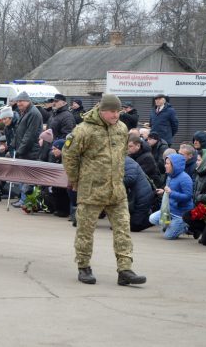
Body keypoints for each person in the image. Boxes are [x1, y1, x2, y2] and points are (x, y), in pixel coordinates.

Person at [62, 94, 146, 286]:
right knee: (85, 230)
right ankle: (83, 267)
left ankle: (125, 269)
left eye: (119, 111)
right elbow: (69, 155)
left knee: (123, 229)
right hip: (92, 189)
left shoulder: (122, 129)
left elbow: (122, 155)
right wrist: (74, 179)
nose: (116, 115)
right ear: (102, 110)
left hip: (116, 190)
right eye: (112, 111)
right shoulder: (83, 130)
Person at [149, 154, 193, 239]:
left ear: (175, 165)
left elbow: (188, 196)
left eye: (167, 163)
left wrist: (171, 193)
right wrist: (164, 192)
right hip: (170, 209)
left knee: (168, 236)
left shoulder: (185, 178)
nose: (165, 165)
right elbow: (169, 192)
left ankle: (186, 226)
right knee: (152, 218)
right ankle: (172, 226)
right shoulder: (170, 176)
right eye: (165, 163)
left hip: (180, 213)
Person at [11, 92, 43, 208]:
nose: (19, 103)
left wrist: (20, 150)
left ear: (28, 101)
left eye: (21, 101)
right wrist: (13, 144)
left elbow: (30, 135)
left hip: (30, 151)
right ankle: (22, 199)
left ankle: (25, 200)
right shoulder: (25, 112)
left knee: (27, 177)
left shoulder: (33, 113)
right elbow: (20, 131)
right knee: (22, 176)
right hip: (23, 149)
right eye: (18, 101)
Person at [183, 150, 206, 245]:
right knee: (188, 216)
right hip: (205, 208)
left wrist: (198, 197)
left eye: (199, 160)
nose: (197, 162)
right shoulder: (201, 172)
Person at [124, 157, 154, 232]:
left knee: (134, 226)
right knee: (129, 225)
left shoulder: (127, 162)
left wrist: (115, 182)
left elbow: (131, 178)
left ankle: (156, 218)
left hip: (142, 197)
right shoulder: (126, 161)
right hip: (138, 195)